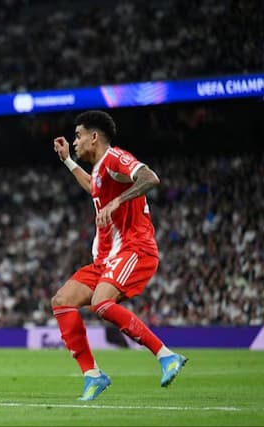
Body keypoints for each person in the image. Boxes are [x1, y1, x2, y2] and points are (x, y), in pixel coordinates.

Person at [51, 110, 187, 401]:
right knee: (62, 301)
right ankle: (93, 375)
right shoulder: (100, 170)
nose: (75, 142)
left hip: (134, 248)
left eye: (78, 136)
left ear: (94, 137)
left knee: (101, 302)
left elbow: (150, 178)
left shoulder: (115, 158)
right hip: (106, 258)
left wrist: (117, 202)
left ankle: (166, 355)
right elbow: (92, 187)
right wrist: (67, 160)